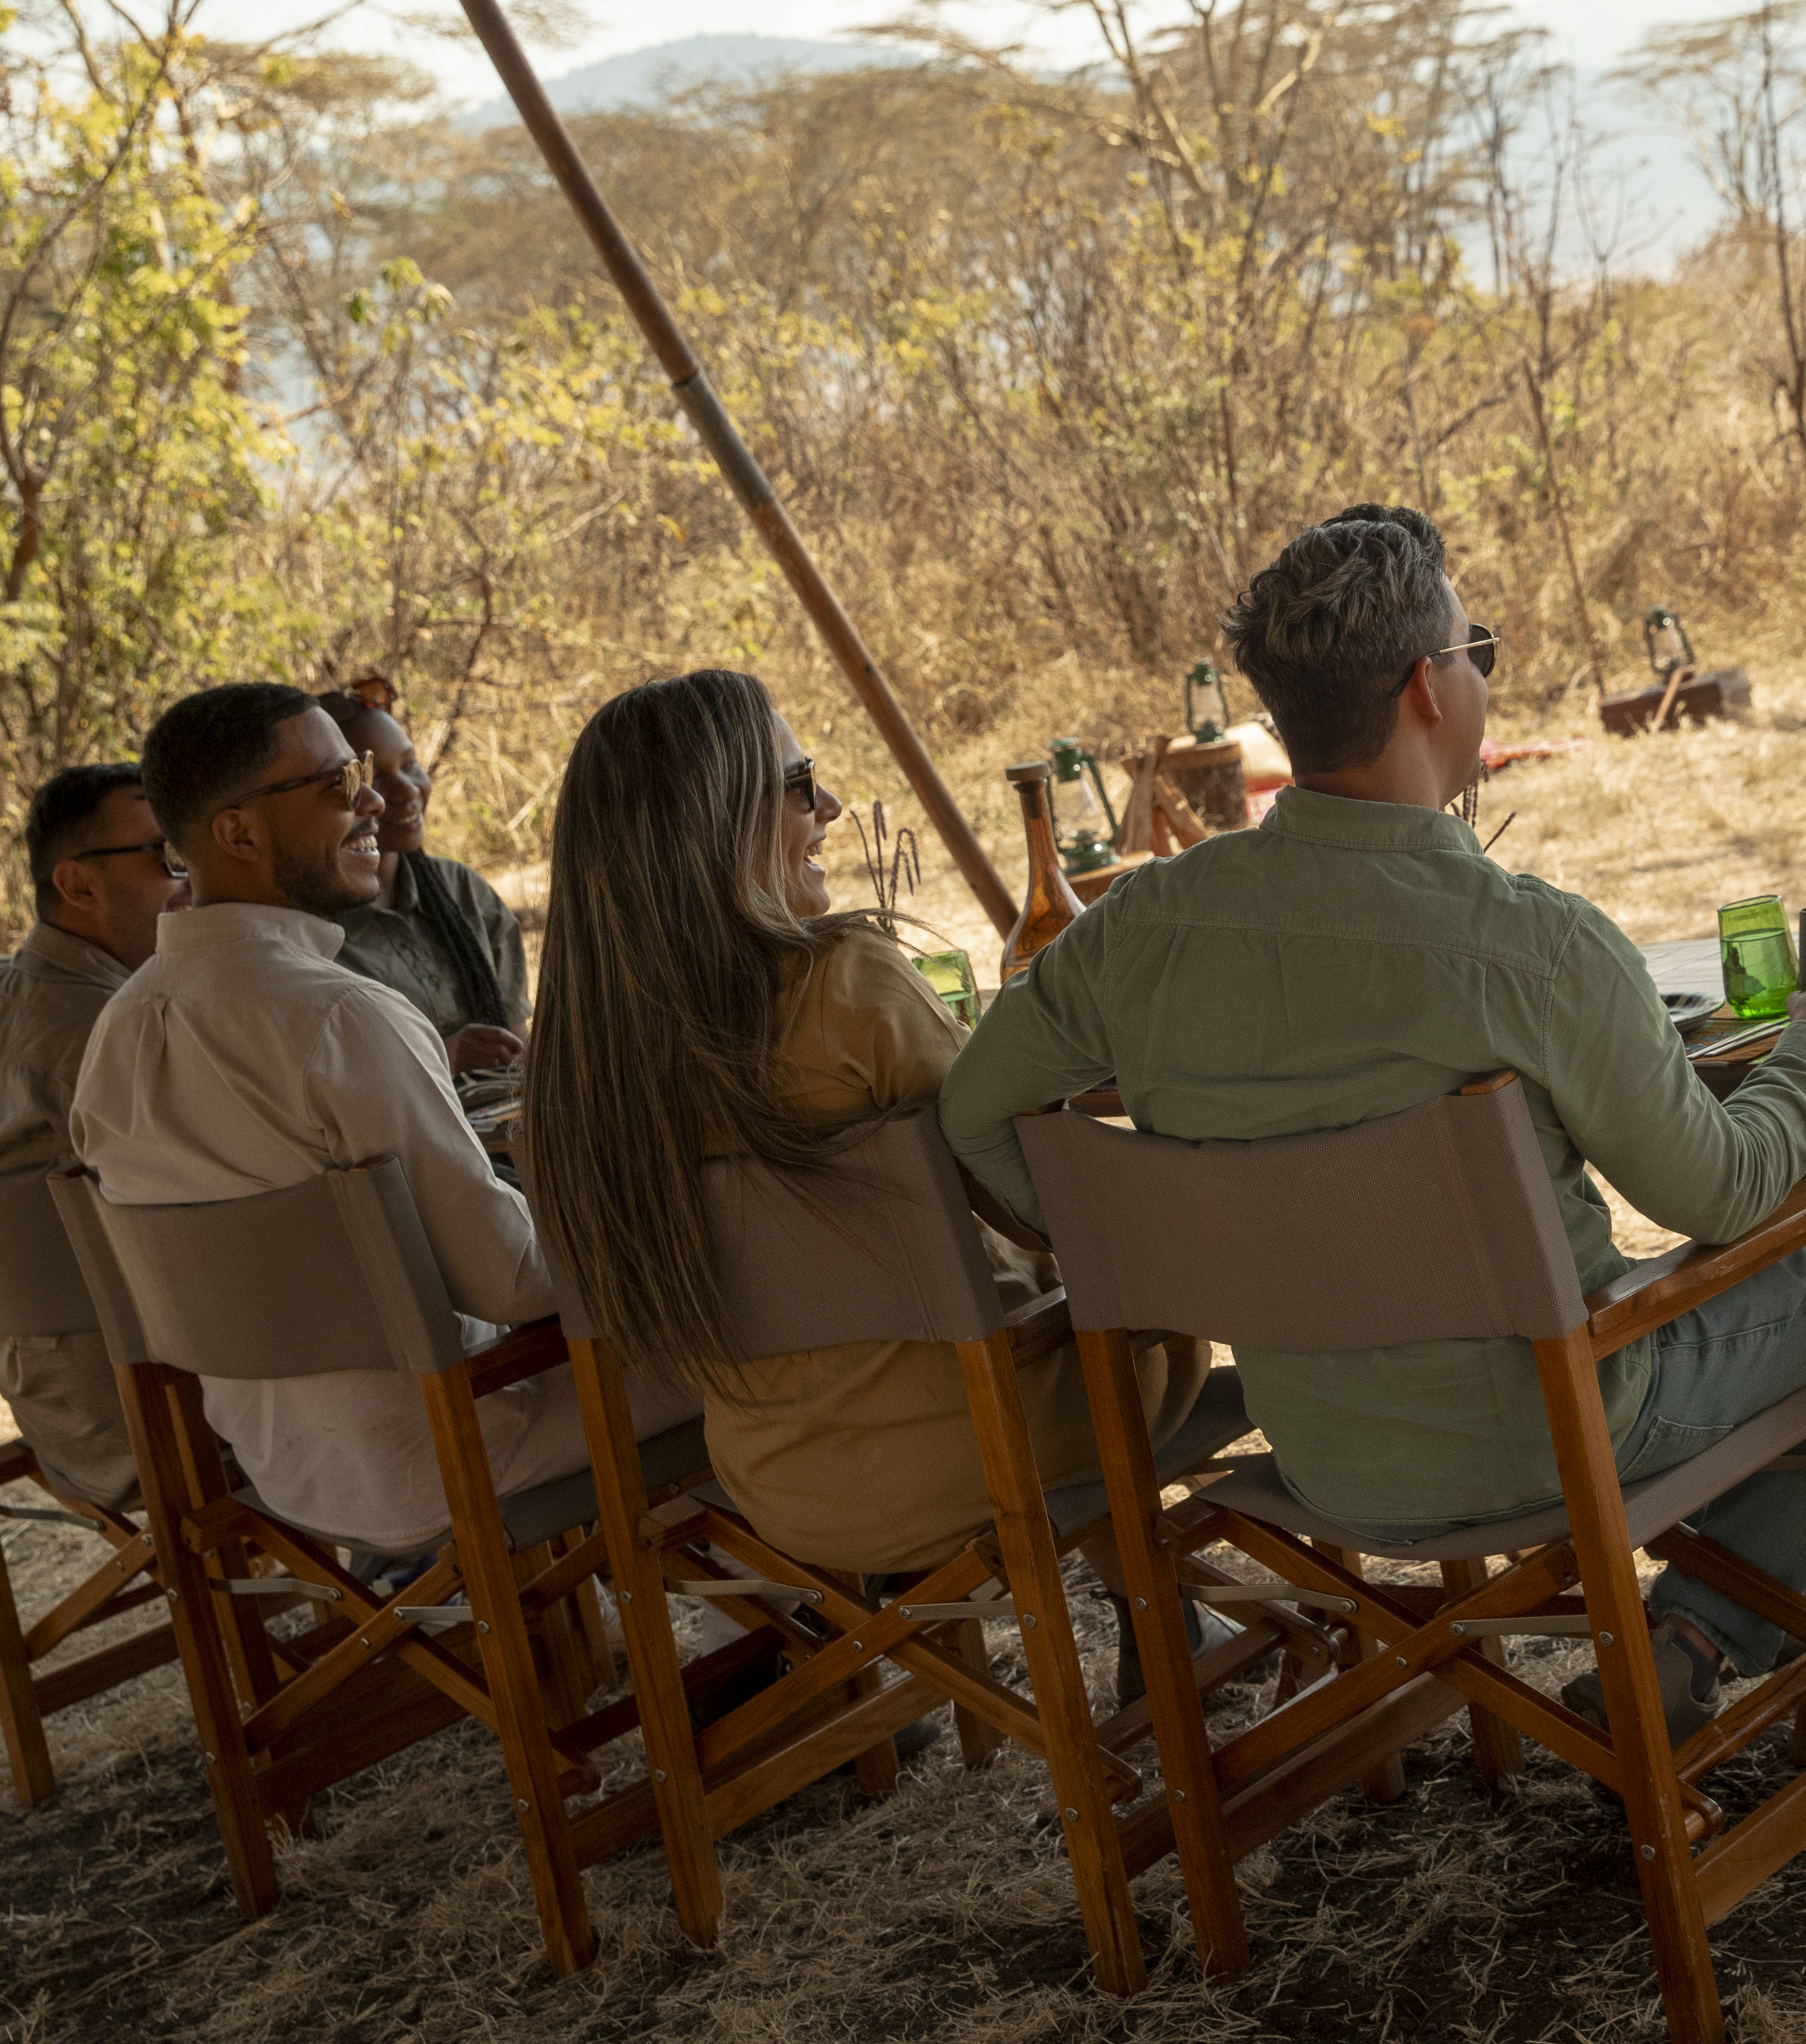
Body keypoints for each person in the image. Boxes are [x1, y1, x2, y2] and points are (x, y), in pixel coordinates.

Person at [941, 505, 1806, 1743]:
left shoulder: (1138, 931)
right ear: (1428, 689)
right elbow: (1724, 1195)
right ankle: (1696, 1635)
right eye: (1479, 651)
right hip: (1558, 1434)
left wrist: (1133, 1255)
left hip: (1320, 1449)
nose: (1479, 675)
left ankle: (1687, 1640)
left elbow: (974, 1109)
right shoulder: (1533, 943)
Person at [518, 668, 1207, 1586]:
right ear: (715, 822)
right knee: (1146, 1295)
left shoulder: (573, 1077)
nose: (832, 807)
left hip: (780, 1486)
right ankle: (1158, 1609)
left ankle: (1141, 1610)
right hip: (995, 1444)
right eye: (800, 785)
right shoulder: (846, 985)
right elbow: (1039, 1203)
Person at [69, 683, 697, 1553]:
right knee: (749, 1311)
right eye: (336, 785)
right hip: (457, 1443)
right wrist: (675, 1211)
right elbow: (510, 1280)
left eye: (362, 772)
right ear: (239, 833)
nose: (373, 800)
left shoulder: (117, 1034)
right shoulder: (337, 1017)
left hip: (286, 1463)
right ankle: (769, 1634)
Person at [0, 763, 190, 1510]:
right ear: (79, 885)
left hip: (55, 1409)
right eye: (166, 856)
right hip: (175, 1414)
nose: (191, 875)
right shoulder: (130, 1036)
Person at [313, 684, 528, 1076]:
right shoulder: (312, 937)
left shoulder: (462, 891)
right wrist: (438, 1058)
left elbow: (517, 1054)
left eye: (410, 765)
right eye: (375, 778)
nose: (409, 791)